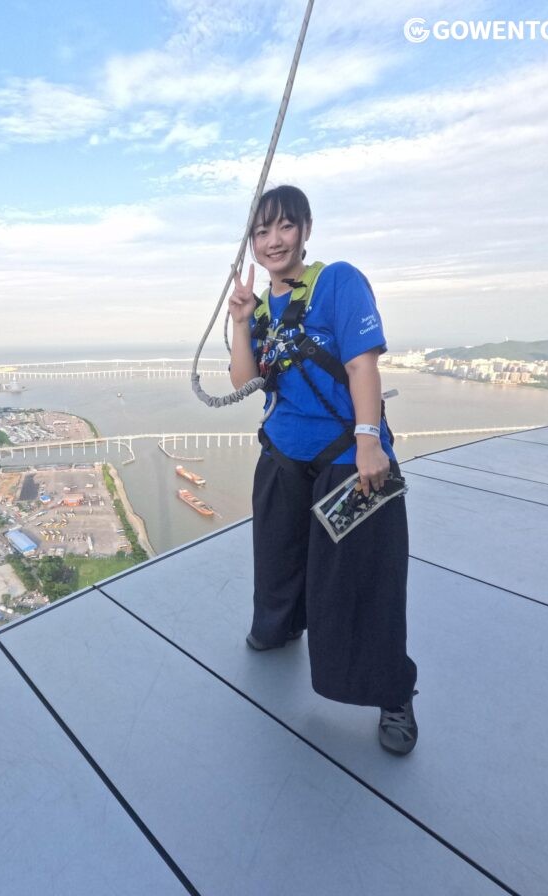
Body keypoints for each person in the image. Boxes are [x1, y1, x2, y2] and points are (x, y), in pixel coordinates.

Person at [228, 184, 419, 755]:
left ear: (306, 229)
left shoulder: (337, 281)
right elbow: (245, 381)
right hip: (283, 454)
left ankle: (392, 693)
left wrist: (368, 442)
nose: (273, 240)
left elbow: (362, 365)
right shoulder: (263, 308)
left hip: (346, 457)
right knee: (277, 557)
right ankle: (280, 625)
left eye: (285, 226)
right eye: (262, 231)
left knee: (361, 581)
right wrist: (240, 321)